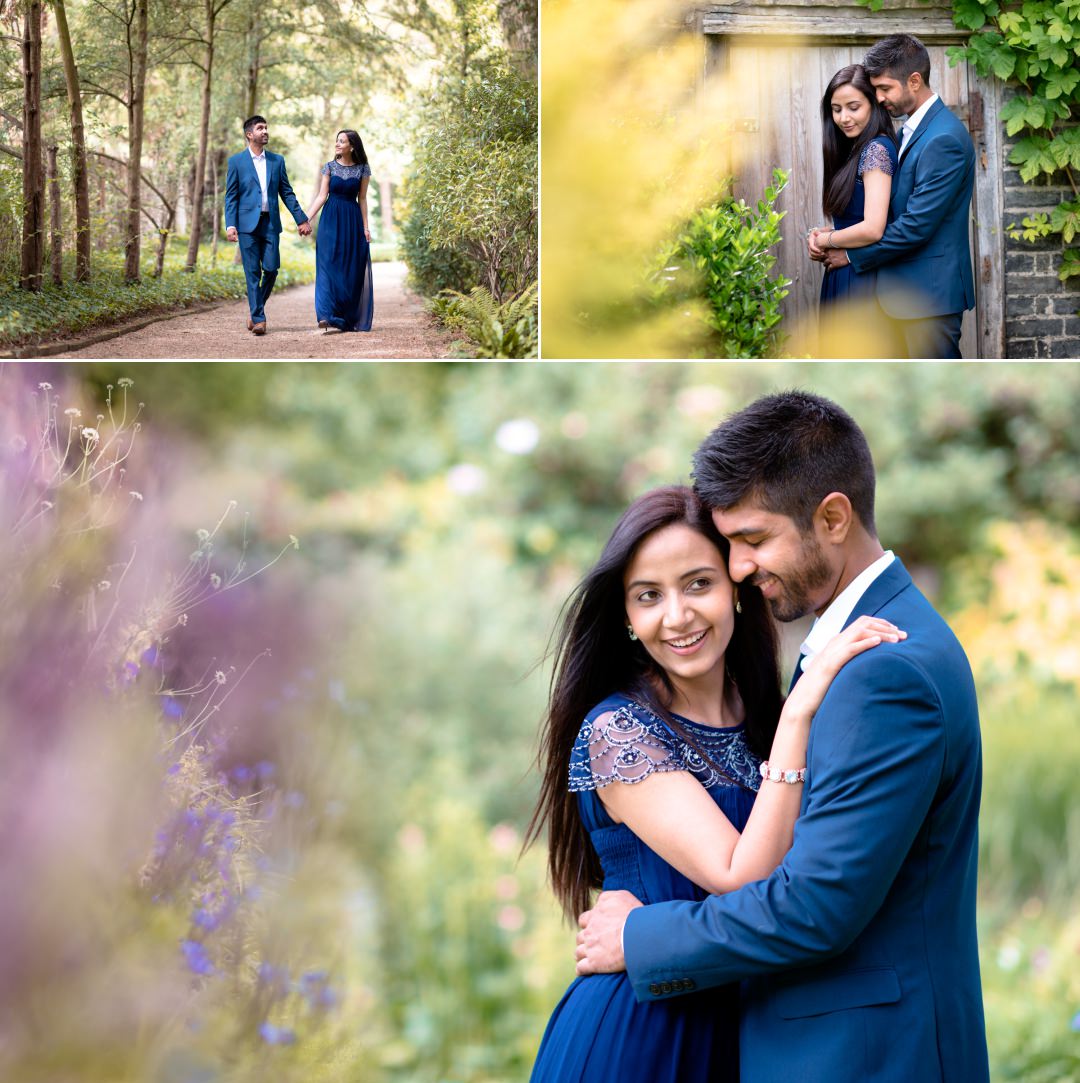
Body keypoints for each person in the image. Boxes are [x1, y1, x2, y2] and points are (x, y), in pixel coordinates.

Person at [575, 391, 990, 1083]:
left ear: (832, 517)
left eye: (754, 540)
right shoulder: (849, 654)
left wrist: (640, 934)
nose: (739, 568)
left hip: (864, 1056)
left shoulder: (881, 672)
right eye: (731, 544)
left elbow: (813, 905)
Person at [526, 484, 905, 1083]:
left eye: (698, 583)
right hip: (643, 1036)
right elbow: (740, 876)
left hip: (752, 1034)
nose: (677, 616)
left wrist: (789, 716)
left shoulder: (763, 719)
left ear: (736, 589)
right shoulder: (620, 731)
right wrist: (802, 712)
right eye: (648, 596)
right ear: (626, 617)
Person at [814, 34, 976, 358]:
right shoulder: (907, 132)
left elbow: (916, 225)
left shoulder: (944, 138)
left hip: (929, 296)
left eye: (885, 88)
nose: (879, 97)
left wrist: (847, 253)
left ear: (914, 80)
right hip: (901, 296)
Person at [809, 65, 898, 316]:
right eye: (836, 110)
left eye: (853, 107)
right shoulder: (853, 149)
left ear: (874, 104)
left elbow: (872, 227)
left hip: (863, 279)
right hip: (846, 273)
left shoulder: (876, 150)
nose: (843, 118)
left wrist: (825, 240)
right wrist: (820, 234)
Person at [224, 115, 311, 336]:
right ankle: (260, 319)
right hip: (246, 226)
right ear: (249, 134)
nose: (265, 131)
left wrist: (301, 219)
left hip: (271, 223)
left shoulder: (276, 161)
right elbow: (231, 197)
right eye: (260, 128)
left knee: (271, 269)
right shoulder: (236, 162)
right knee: (252, 272)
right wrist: (230, 224)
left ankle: (254, 311)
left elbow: (287, 193)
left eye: (266, 128)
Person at [304, 129, 374, 333]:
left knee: (349, 268)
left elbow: (362, 198)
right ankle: (325, 314)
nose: (337, 144)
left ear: (351, 146)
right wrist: (305, 218)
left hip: (352, 221)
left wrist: (365, 227)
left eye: (341, 141)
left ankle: (345, 316)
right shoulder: (329, 167)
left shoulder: (363, 169)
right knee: (327, 264)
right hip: (330, 220)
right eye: (336, 140)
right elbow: (321, 196)